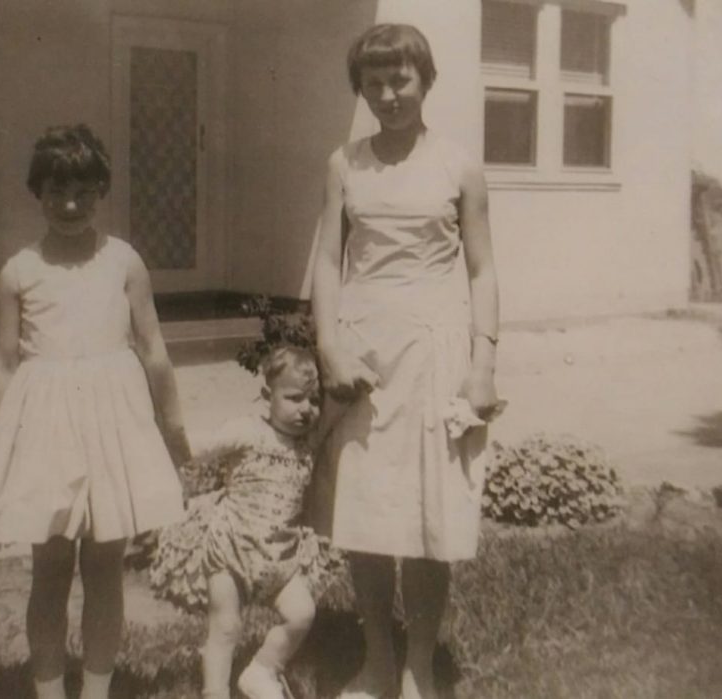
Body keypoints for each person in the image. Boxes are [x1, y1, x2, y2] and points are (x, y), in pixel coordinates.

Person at [309, 24, 501, 699]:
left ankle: (420, 663)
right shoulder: (344, 163)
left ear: (426, 80)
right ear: (359, 88)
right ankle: (378, 659)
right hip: (362, 351)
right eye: (374, 82)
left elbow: (481, 271)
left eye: (401, 80)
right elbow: (328, 265)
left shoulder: (458, 164)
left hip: (434, 351)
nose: (388, 95)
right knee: (365, 512)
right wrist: (329, 346)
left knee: (425, 517)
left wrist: (483, 364)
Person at [0, 124, 191, 699]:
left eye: (84, 192)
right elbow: (2, 363)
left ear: (101, 192)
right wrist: (2, 448)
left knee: (104, 566)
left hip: (113, 423)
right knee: (49, 568)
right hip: (46, 429)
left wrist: (173, 428)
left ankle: (96, 690)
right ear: (37, 192)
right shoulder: (19, 271)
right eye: (56, 192)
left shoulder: (123, 262)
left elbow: (154, 351)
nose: (70, 205)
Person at [149, 346, 346, 699]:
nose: (306, 409)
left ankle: (262, 670)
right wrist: (167, 437)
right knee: (225, 627)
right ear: (267, 396)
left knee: (302, 613)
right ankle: (215, 692)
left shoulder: (309, 443)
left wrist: (354, 384)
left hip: (279, 560)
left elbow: (335, 412)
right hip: (232, 551)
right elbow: (200, 446)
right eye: (294, 398)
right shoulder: (248, 432)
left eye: (313, 400)